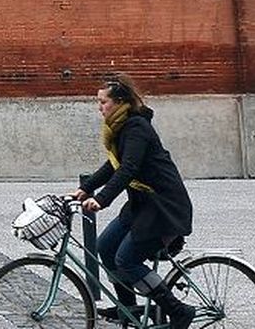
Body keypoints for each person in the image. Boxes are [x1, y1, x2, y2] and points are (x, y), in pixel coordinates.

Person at [72, 74, 195, 329]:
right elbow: (113, 164)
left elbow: (127, 169)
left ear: (119, 102)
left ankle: (178, 311)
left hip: (163, 207)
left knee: (126, 259)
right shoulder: (121, 128)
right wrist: (85, 189)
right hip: (142, 205)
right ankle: (130, 308)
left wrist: (101, 200)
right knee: (105, 247)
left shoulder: (137, 127)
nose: (99, 107)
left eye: (103, 102)